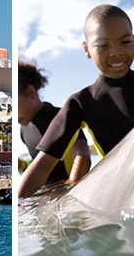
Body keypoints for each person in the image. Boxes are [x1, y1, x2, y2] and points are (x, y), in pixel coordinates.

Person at [18, 4, 134, 197]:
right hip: (124, 194)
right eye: (103, 45)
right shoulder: (81, 102)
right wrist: (19, 207)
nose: (116, 51)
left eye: (125, 41)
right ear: (86, 49)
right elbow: (42, 165)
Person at [17, 61, 91, 192]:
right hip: (47, 196)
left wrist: (70, 190)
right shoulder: (24, 130)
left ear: (31, 92)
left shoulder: (60, 117)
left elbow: (82, 156)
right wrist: (22, 166)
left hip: (67, 194)